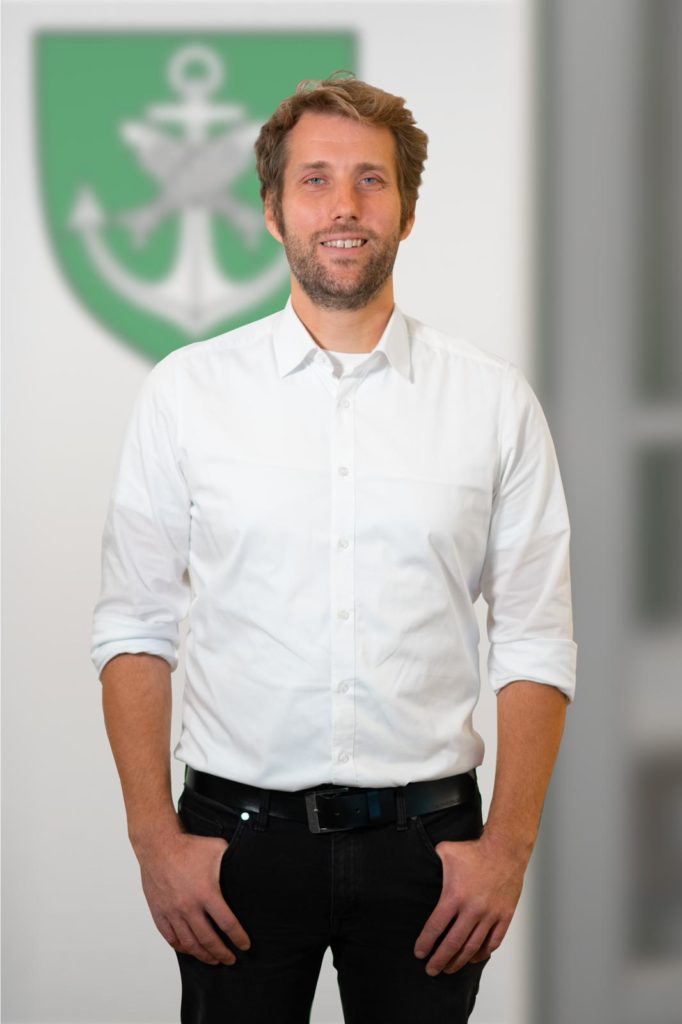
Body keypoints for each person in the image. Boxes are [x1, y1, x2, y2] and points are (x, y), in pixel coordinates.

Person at [91, 73, 576, 1024]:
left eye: (371, 180)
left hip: (431, 854)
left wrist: (509, 848)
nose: (344, 205)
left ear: (407, 210)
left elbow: (535, 639)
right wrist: (155, 839)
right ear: (273, 211)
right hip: (233, 848)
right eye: (315, 179)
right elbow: (134, 627)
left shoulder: (492, 402)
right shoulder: (186, 394)